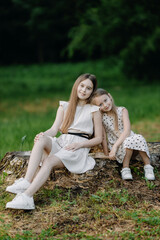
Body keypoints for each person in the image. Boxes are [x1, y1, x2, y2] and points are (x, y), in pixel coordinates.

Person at [6, 73, 102, 210]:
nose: (83, 90)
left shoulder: (93, 110)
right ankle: (26, 181)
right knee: (42, 140)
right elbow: (53, 129)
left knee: (49, 161)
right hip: (62, 142)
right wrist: (42, 134)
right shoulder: (64, 106)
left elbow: (98, 138)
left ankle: (27, 197)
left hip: (77, 148)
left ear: (92, 92)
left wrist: (80, 144)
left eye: (88, 88)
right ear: (76, 85)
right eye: (82, 86)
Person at [92, 88, 155, 181]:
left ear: (109, 96)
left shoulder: (122, 110)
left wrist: (115, 147)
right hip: (117, 146)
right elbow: (103, 136)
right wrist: (107, 153)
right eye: (100, 104)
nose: (105, 105)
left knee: (137, 138)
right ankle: (125, 168)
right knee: (128, 141)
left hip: (129, 142)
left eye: (105, 100)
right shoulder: (101, 117)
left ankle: (148, 167)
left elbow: (127, 131)